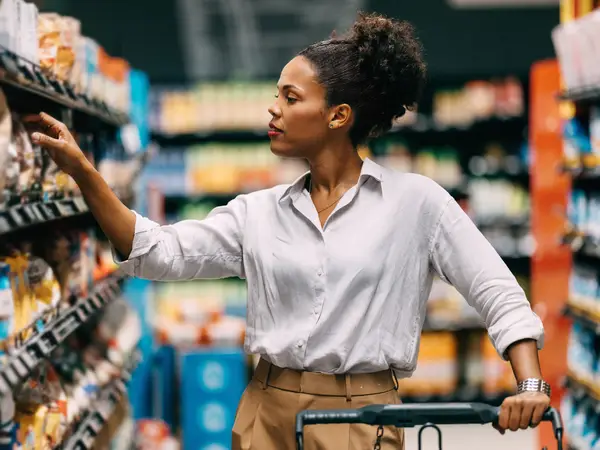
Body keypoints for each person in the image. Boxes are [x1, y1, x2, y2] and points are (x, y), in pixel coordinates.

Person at [27, 11, 550, 450]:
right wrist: (82, 171)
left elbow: (498, 293)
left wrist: (529, 383)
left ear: (338, 115)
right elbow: (157, 252)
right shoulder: (256, 212)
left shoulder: (416, 204)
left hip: (362, 419)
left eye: (291, 97)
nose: (273, 109)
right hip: (266, 411)